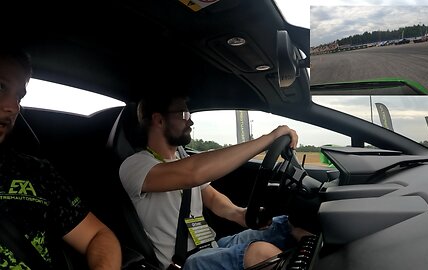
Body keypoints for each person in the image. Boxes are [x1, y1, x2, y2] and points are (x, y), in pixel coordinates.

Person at [119, 92, 312, 270]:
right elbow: (192, 173)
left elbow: (214, 200)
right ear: (159, 120)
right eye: (184, 114)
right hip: (183, 262)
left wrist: (241, 214)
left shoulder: (182, 159)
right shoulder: (135, 166)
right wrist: (269, 138)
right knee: (260, 253)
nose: (191, 121)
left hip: (211, 246)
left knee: (284, 225)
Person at [0, 45, 122, 269]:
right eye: (0, 87)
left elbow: (99, 235)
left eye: (19, 96)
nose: (13, 107)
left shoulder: (36, 171)